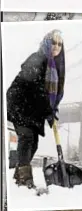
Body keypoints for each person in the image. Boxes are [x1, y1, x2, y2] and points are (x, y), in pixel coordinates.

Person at [7, 30, 65, 190]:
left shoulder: (54, 68)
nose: (56, 46)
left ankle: (18, 176)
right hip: (20, 103)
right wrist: (48, 112)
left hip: (34, 109)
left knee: (33, 144)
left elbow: (51, 95)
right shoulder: (37, 58)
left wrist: (53, 111)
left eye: (60, 44)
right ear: (47, 43)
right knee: (26, 137)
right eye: (53, 42)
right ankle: (24, 180)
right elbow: (36, 88)